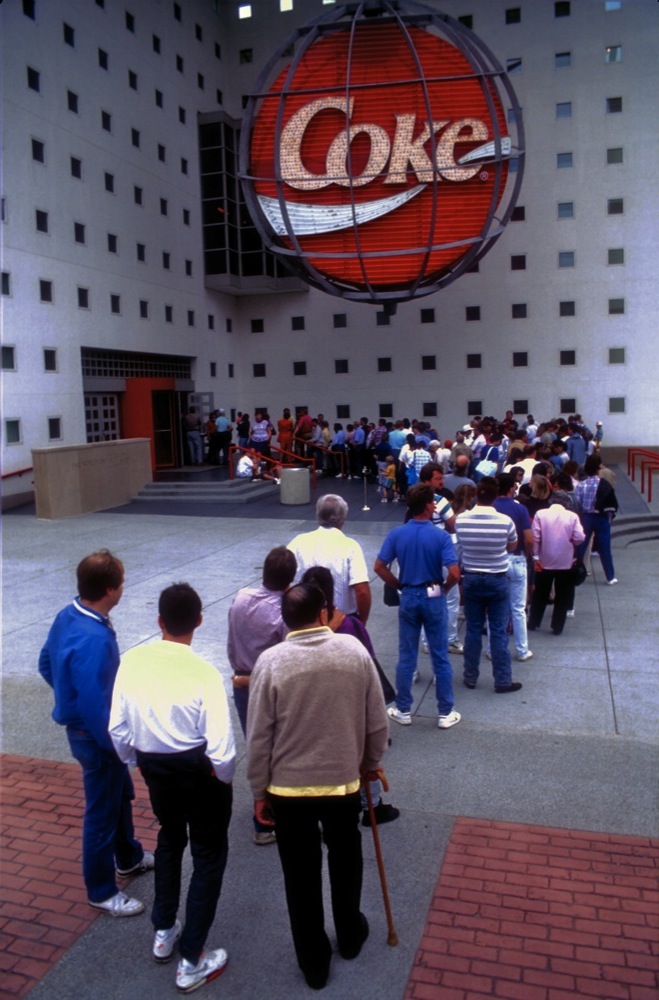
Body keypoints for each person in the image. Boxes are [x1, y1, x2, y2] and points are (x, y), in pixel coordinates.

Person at [246, 584, 389, 991]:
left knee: (300, 876)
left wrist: (259, 790)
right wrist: (373, 764)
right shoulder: (354, 653)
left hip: (288, 792)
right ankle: (349, 934)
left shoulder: (269, 663)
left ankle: (313, 962)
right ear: (324, 612)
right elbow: (376, 720)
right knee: (346, 860)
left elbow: (259, 737)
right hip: (343, 782)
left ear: (286, 620)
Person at [109, 583, 236, 993]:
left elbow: (118, 729)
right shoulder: (203, 674)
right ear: (199, 620)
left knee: (169, 838)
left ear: (159, 620)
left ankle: (164, 929)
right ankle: (192, 958)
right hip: (200, 774)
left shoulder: (131, 662)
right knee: (209, 856)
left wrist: (137, 760)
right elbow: (223, 749)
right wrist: (223, 777)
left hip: (156, 770)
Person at [38, 550, 152, 917]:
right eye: (120, 584)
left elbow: (45, 662)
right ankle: (101, 890)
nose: (123, 589)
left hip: (84, 732)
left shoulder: (67, 615)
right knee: (101, 811)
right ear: (108, 590)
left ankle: (129, 856)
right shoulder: (96, 639)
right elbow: (94, 705)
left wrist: (65, 696)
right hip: (97, 738)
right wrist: (119, 747)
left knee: (117, 797)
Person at [300, 565, 399, 828]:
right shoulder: (349, 625)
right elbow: (368, 664)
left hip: (316, 709)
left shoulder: (297, 635)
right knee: (365, 755)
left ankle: (330, 811)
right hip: (350, 706)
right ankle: (371, 806)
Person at [373, 483, 461, 729]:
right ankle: (445, 712)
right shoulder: (441, 536)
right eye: (433, 503)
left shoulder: (397, 534)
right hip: (433, 595)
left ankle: (403, 709)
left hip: (409, 595)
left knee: (407, 654)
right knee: (440, 655)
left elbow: (379, 567)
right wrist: (445, 588)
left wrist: (399, 584)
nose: (435, 506)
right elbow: (454, 572)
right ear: (426, 506)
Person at [227, 546, 297, 844]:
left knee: (256, 748)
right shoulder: (283, 613)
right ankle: (268, 820)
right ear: (289, 580)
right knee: (276, 750)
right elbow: (285, 659)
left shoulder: (240, 598)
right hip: (269, 686)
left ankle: (263, 816)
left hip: (241, 683)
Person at [454, 477, 523, 694]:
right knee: (498, 631)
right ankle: (502, 680)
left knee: (473, 629)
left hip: (472, 578)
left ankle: (470, 676)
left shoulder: (461, 520)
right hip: (497, 578)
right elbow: (512, 545)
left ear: (476, 494)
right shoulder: (505, 521)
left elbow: (461, 545)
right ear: (495, 496)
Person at [288, 494, 371, 622]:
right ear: (343, 519)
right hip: (341, 621)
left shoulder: (298, 542)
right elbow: (362, 591)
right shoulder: (350, 546)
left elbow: (282, 580)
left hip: (306, 620)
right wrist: (361, 623)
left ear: (318, 516)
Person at [528, 497, 586, 635]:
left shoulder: (540, 514)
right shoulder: (572, 516)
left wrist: (535, 556)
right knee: (563, 595)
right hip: (565, 561)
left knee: (540, 593)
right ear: (566, 504)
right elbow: (580, 537)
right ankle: (557, 626)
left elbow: (535, 537)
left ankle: (534, 622)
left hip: (544, 560)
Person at [493, 473, 534, 662]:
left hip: (494, 560)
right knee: (518, 608)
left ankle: (491, 649)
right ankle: (522, 650)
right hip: (516, 558)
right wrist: (527, 554)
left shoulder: (490, 507)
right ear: (512, 489)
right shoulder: (520, 509)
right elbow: (528, 538)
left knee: (493, 607)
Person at [575, 454, 619, 585]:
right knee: (605, 548)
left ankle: (575, 572)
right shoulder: (604, 484)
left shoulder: (581, 485)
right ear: (598, 468)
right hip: (601, 517)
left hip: (586, 517)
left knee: (581, 547)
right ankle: (610, 576)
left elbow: (578, 503)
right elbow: (612, 502)